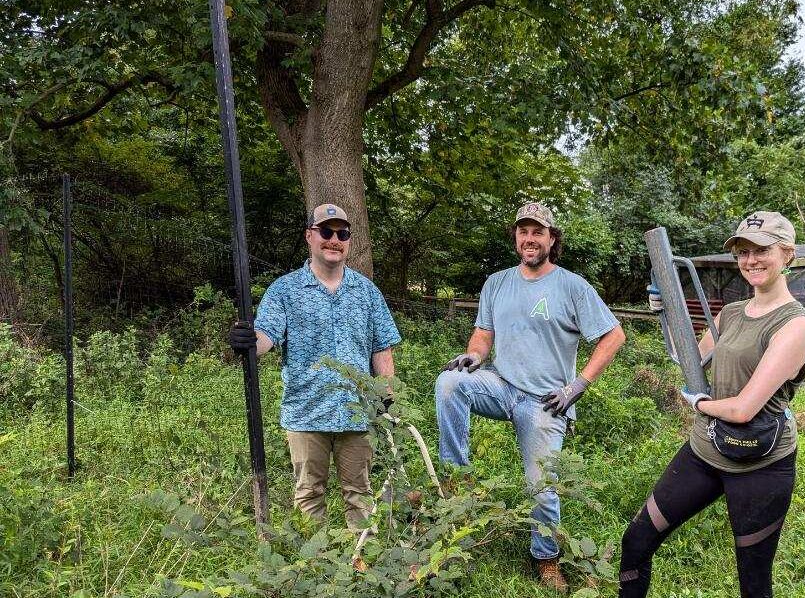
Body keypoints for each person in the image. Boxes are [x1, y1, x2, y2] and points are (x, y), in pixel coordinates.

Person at [619, 211, 805, 598]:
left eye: (762, 250)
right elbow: (685, 356)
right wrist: (663, 315)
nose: (751, 260)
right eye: (743, 251)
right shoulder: (731, 313)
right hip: (706, 450)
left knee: (754, 582)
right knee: (635, 542)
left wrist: (700, 403)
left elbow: (743, 409)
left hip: (763, 462)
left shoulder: (796, 325)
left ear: (787, 254)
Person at [435, 202, 626, 592]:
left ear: (551, 239)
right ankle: (457, 478)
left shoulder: (572, 286)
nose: (529, 238)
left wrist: (579, 385)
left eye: (538, 232)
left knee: (541, 484)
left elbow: (614, 335)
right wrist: (474, 355)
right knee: (449, 382)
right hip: (501, 385)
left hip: (546, 402)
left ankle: (546, 558)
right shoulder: (497, 282)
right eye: (523, 231)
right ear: (516, 238)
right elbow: (483, 333)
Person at [228, 203, 402, 529]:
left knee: (360, 493)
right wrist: (248, 339)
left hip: (358, 413)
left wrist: (387, 396)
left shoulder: (366, 291)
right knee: (309, 494)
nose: (334, 239)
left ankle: (362, 563)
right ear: (310, 236)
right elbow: (267, 337)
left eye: (342, 233)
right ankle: (315, 566)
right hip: (306, 413)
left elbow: (382, 347)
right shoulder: (285, 290)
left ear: (349, 240)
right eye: (326, 231)